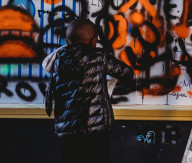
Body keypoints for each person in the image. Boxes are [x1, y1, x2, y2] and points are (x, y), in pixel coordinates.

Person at [43, 18, 134, 163]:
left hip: (67, 135)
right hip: (95, 133)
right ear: (93, 40)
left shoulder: (57, 61)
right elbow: (127, 73)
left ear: (67, 41)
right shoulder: (99, 57)